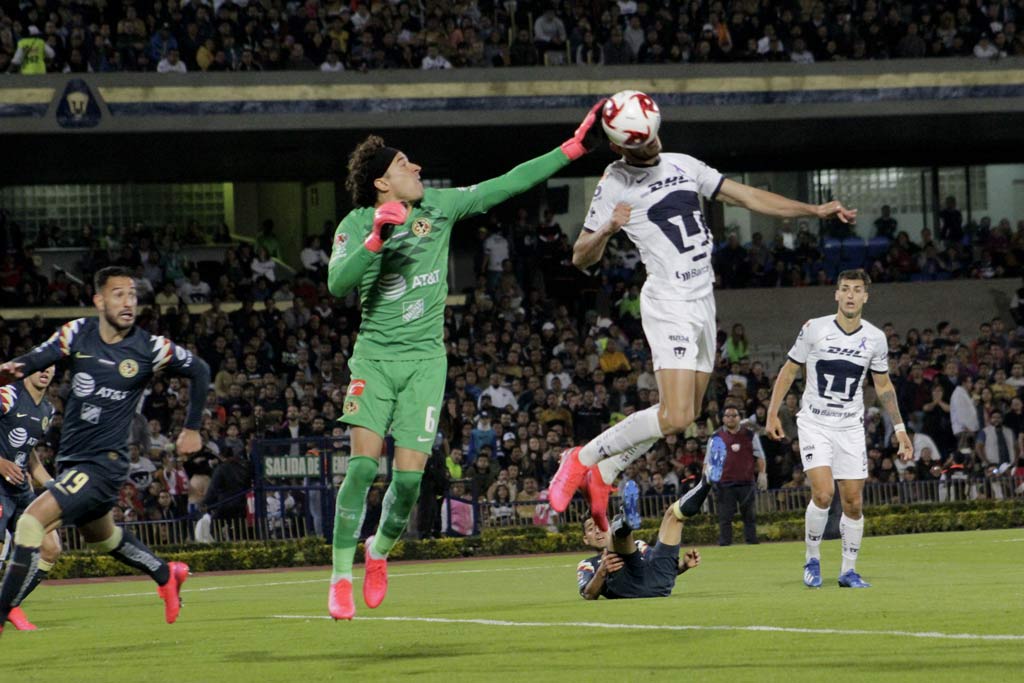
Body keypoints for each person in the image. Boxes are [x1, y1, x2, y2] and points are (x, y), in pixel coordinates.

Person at [325, 99, 608, 620]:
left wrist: (572, 148)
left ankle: (378, 552)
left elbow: (508, 182)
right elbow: (338, 284)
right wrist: (375, 239)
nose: (416, 168)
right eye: (403, 164)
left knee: (409, 481)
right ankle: (340, 576)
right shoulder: (358, 220)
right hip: (375, 360)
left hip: (426, 362)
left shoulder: (440, 206)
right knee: (363, 467)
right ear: (382, 183)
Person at [550, 89, 856, 531]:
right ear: (619, 147)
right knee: (673, 414)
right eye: (642, 143)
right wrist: (608, 230)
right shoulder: (613, 182)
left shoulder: (683, 163)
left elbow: (748, 197)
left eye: (655, 137)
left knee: (685, 416)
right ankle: (581, 458)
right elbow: (581, 257)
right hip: (669, 302)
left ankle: (606, 473)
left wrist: (814, 210)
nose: (653, 146)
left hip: (702, 301)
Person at [0, 266, 210, 634]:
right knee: (104, 539)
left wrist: (192, 427)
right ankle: (166, 573)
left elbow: (201, 370)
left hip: (105, 463)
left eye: (132, 295)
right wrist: (12, 369)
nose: (128, 302)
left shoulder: (150, 347)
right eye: (118, 294)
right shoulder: (77, 333)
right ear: (99, 300)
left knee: (32, 523)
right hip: (73, 461)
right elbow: (38, 357)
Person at [766, 268, 913, 589]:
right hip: (815, 422)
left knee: (854, 502)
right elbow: (790, 370)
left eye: (856, 290)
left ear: (865, 296)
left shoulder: (874, 337)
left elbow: (884, 384)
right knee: (822, 492)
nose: (850, 295)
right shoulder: (814, 329)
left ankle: (848, 570)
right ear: (836, 293)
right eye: (844, 288)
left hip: (849, 427)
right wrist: (772, 412)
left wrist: (900, 427)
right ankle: (812, 559)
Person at [0, 367, 60, 631]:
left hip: (22, 488)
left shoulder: (47, 410)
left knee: (51, 547)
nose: (44, 372)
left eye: (49, 367)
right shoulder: (7, 396)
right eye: (39, 367)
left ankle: (10, 604)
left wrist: (50, 484)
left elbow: (29, 451)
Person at [576, 484, 705, 600]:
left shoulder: (639, 545)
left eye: (601, 524)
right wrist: (602, 571)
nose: (598, 531)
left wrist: (683, 566)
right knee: (617, 543)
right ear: (585, 539)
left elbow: (657, 564)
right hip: (627, 587)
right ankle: (623, 521)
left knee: (673, 515)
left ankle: (706, 483)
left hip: (658, 585)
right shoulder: (587, 564)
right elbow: (588, 594)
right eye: (591, 529)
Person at [710, 405, 767, 546]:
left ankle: (752, 542)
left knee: (750, 516)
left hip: (746, 482)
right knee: (724, 518)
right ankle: (725, 544)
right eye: (727, 416)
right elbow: (710, 460)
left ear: (739, 418)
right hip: (724, 483)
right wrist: (709, 479)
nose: (731, 418)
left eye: (734, 415)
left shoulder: (749, 435)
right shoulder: (716, 436)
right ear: (723, 419)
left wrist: (762, 473)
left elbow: (759, 456)